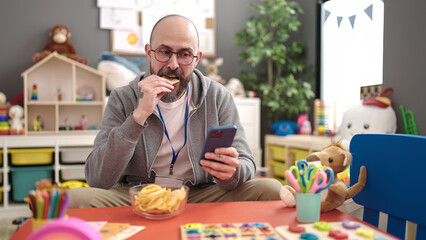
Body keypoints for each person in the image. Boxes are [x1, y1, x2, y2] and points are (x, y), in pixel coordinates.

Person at [69, 14, 281, 208]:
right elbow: (97, 178)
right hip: (139, 194)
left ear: (197, 58)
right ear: (148, 53)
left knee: (271, 189)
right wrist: (139, 115)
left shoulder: (218, 96)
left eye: (184, 54)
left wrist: (232, 172)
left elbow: (246, 163)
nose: (173, 64)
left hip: (199, 194)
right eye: (164, 52)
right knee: (76, 200)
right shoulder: (122, 98)